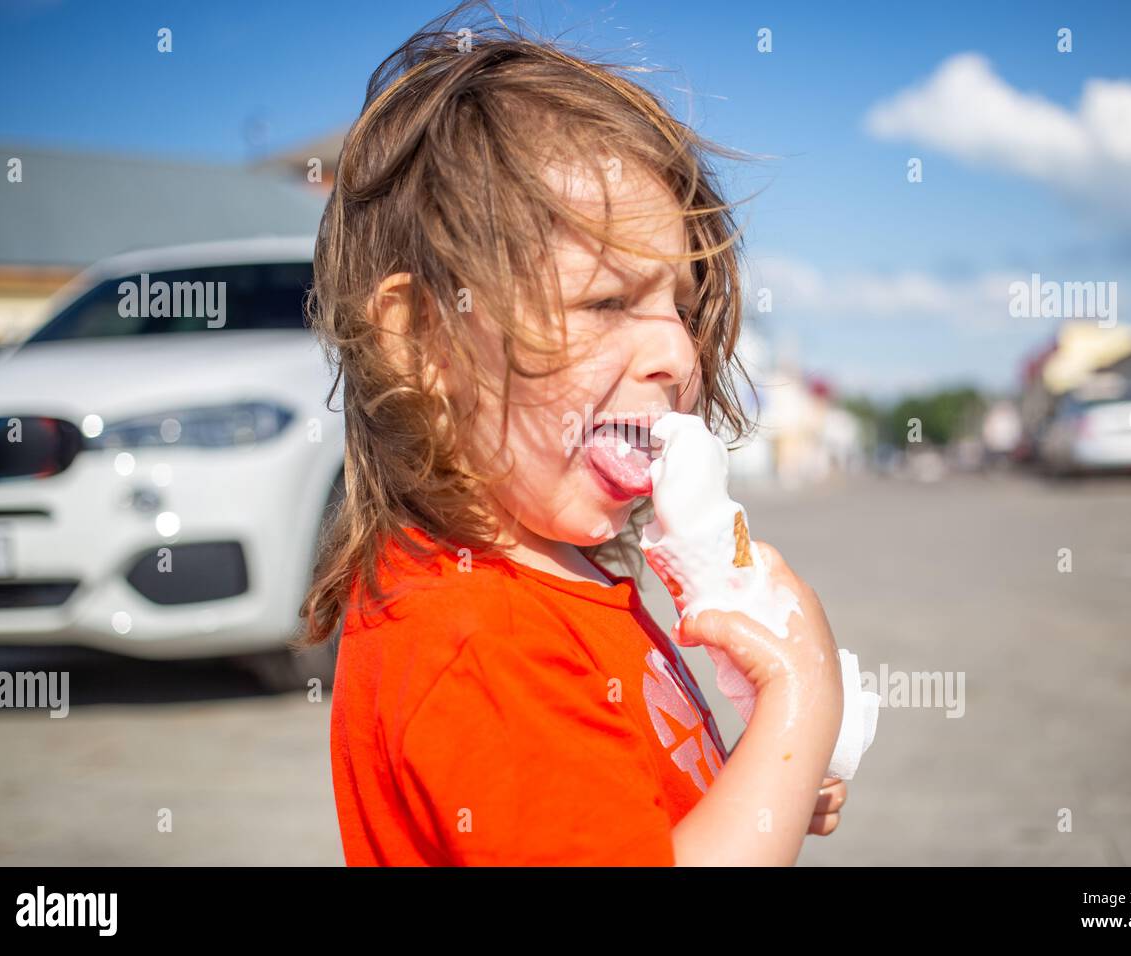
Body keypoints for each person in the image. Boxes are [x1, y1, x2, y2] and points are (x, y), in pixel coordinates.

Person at [296, 1, 848, 866]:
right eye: (605, 301)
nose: (676, 351)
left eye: (683, 309)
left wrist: (758, 785)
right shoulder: (482, 645)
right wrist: (800, 707)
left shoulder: (556, 576)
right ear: (422, 341)